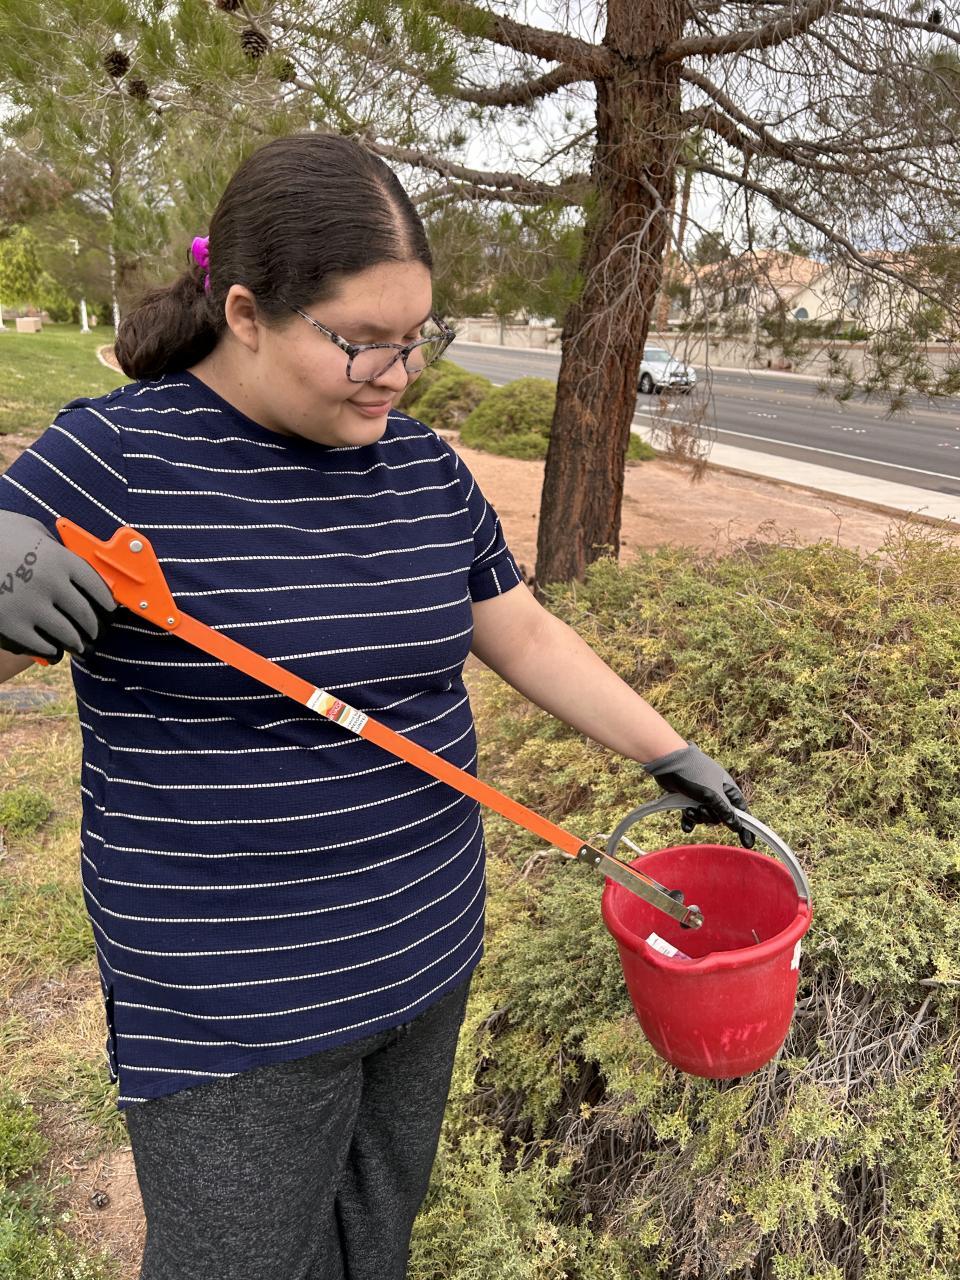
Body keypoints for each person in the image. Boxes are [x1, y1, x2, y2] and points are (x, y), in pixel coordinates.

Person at [0, 133, 752, 1280]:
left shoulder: (423, 467)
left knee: (373, 1244)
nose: (398, 374)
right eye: (362, 342)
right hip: (235, 1006)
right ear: (246, 313)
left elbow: (522, 630)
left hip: (425, 952)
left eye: (417, 339)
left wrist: (671, 751)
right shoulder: (117, 457)